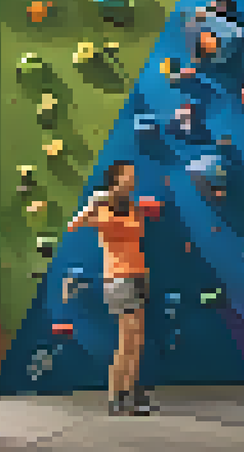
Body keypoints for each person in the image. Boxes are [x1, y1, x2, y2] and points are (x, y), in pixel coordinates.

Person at [66, 161, 150, 417]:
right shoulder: (100, 207)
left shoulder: (134, 207)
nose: (132, 179)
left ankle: (131, 392)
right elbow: (73, 224)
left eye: (134, 175)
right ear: (115, 178)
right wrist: (96, 199)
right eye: (128, 175)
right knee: (127, 336)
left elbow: (139, 234)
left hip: (138, 274)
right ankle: (116, 395)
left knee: (137, 338)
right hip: (117, 276)